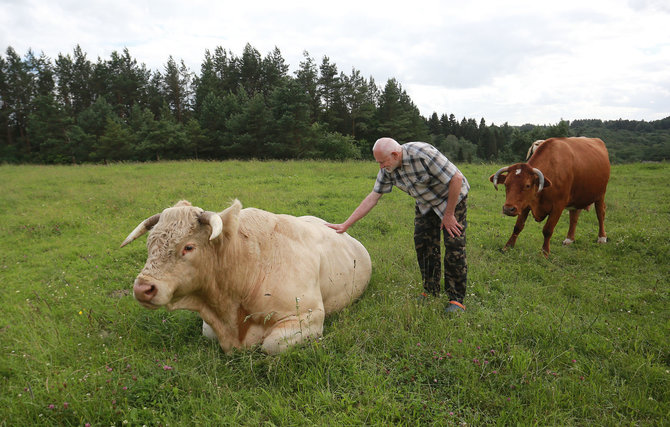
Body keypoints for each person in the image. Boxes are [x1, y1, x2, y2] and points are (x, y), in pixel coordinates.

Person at [326, 137, 470, 313]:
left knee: (454, 246)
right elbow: (373, 197)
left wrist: (448, 214)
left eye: (382, 161)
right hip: (425, 204)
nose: (380, 166)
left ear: (395, 154)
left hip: (452, 200)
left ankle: (456, 300)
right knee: (423, 245)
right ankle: (431, 290)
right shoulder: (388, 168)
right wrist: (346, 224)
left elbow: (457, 178)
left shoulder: (423, 154)